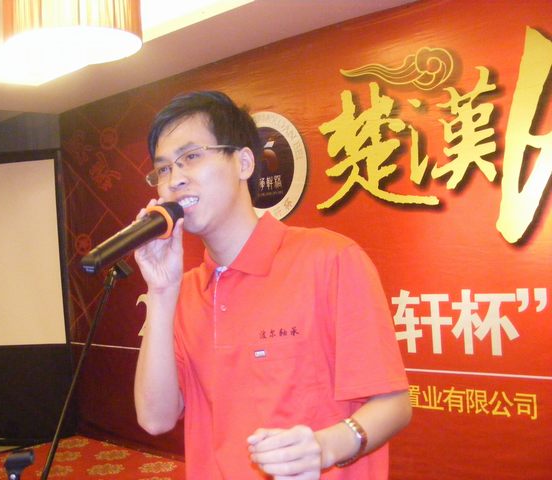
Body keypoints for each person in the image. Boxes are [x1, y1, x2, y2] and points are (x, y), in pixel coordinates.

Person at [133, 91, 411, 479]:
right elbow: (155, 418)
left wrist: (325, 447)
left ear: (244, 162)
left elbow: (394, 404)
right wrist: (162, 293)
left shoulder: (329, 258)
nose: (174, 179)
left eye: (191, 157)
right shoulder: (185, 292)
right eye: (163, 169)